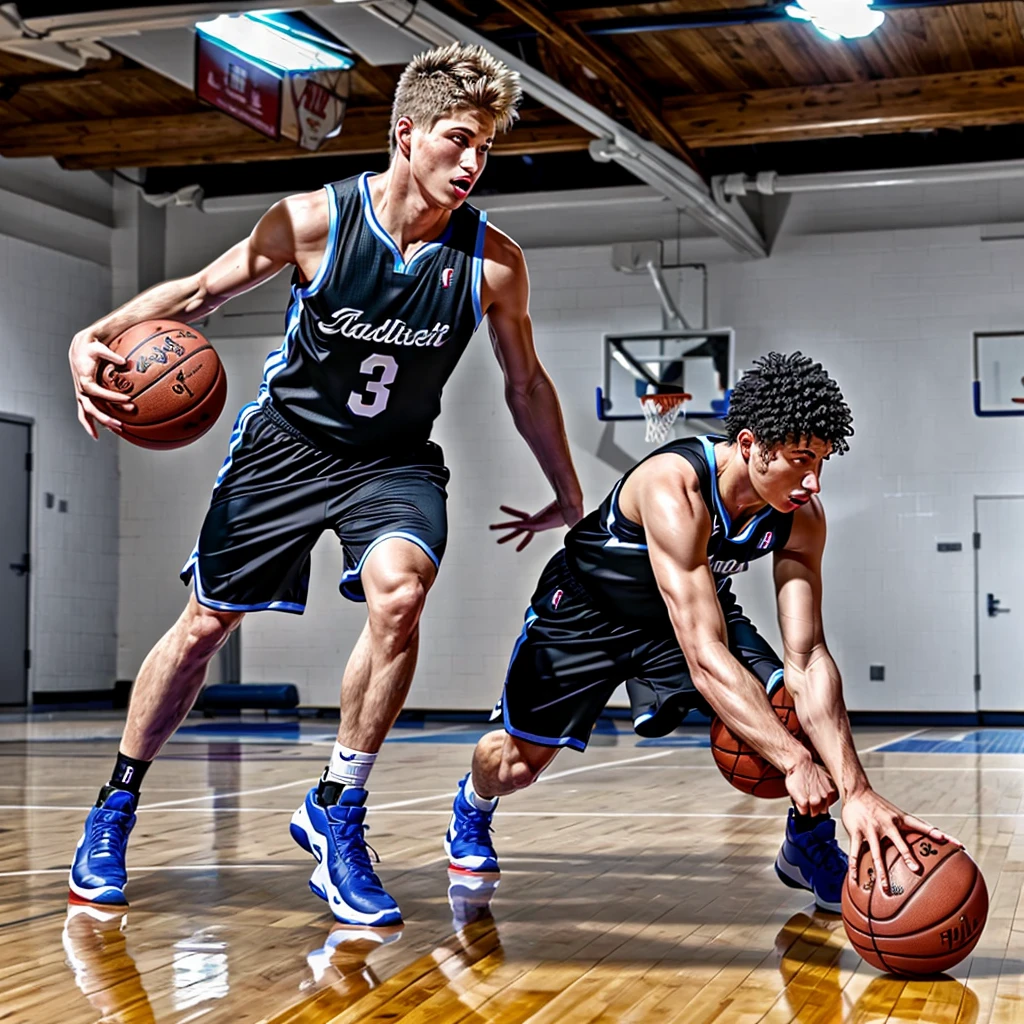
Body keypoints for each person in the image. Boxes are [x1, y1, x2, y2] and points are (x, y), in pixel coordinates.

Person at [66, 43, 584, 927]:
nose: (471, 163)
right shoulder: (314, 222)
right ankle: (115, 804)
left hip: (393, 462)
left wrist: (568, 494)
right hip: (285, 448)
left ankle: (337, 808)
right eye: (458, 140)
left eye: (486, 150)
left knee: (400, 595)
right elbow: (194, 295)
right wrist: (93, 335)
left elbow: (525, 382)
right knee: (203, 629)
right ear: (406, 131)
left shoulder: (493, 264)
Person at [445, 352, 959, 912]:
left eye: (823, 461)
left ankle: (806, 845)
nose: (814, 481)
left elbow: (808, 655)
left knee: (786, 701)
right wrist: (793, 762)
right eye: (800, 459)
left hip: (691, 613)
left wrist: (855, 790)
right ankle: (472, 808)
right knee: (513, 767)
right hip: (587, 615)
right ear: (748, 445)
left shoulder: (800, 515)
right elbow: (706, 654)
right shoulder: (675, 488)